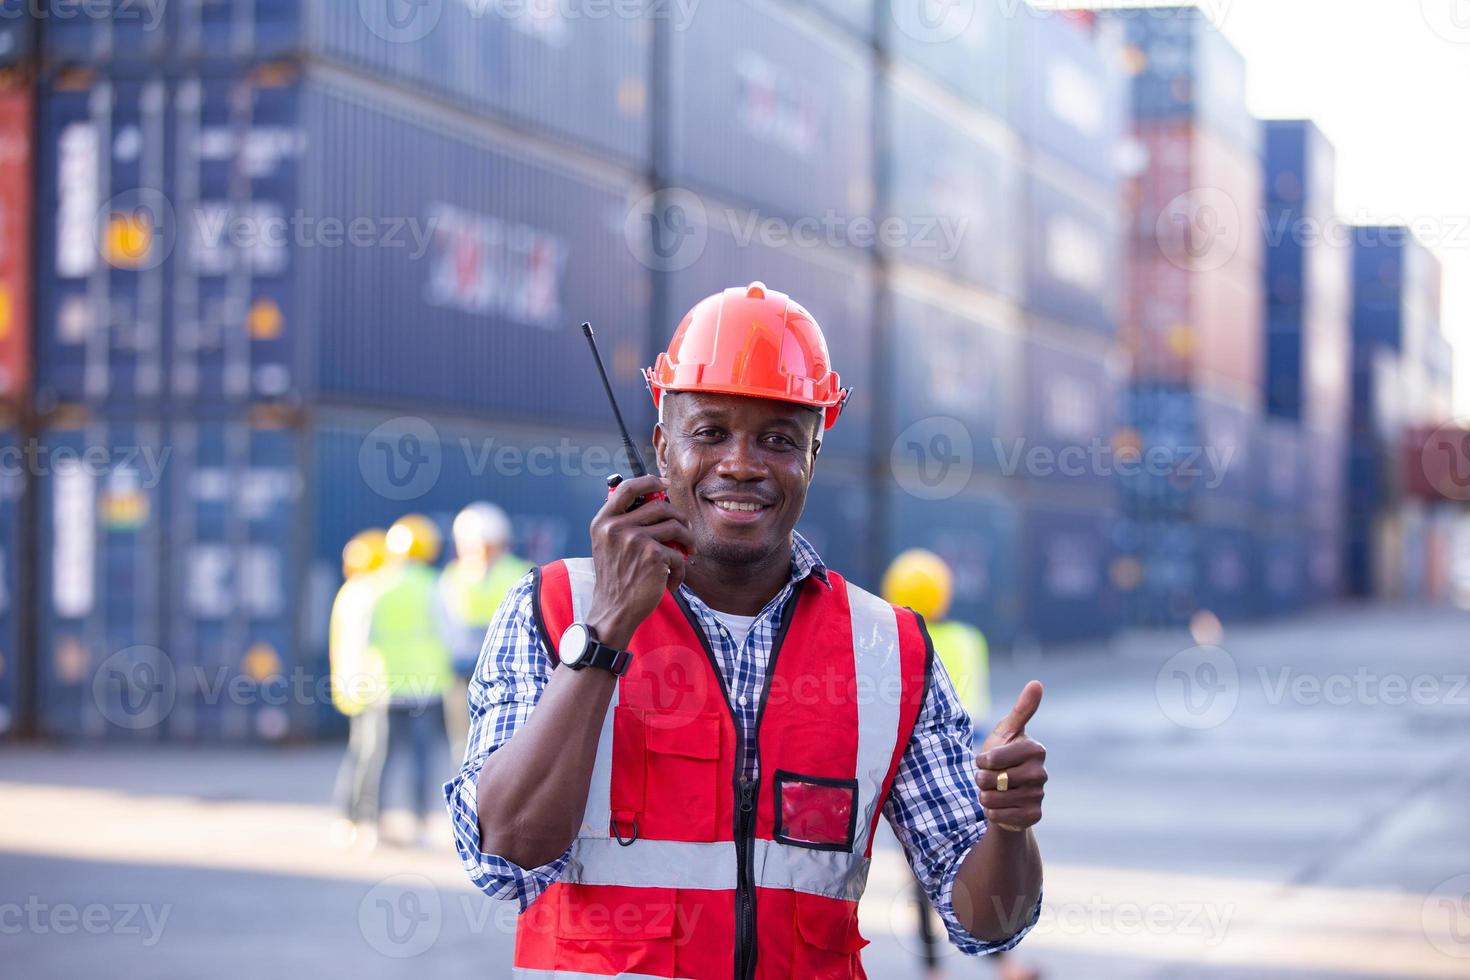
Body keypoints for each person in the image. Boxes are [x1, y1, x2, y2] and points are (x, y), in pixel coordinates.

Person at [445, 282, 1047, 976]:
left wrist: (1009, 829)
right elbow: (503, 858)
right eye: (710, 432)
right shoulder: (552, 609)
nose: (741, 462)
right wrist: (607, 627)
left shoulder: (889, 649)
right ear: (661, 447)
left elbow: (985, 924)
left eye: (778, 439)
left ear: (813, 458)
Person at [884, 550, 1039, 980]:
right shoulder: (968, 638)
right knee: (968, 871)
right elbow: (978, 711)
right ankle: (1004, 962)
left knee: (921, 880)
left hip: (907, 776)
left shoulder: (890, 640)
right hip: (973, 767)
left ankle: (934, 970)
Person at [372, 513, 455, 847]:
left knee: (382, 757)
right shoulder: (434, 586)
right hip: (427, 687)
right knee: (422, 757)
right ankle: (419, 823)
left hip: (386, 686)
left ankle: (374, 823)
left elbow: (367, 635)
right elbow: (448, 633)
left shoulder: (377, 585)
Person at [439, 502, 531, 763]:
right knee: (467, 745)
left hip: (501, 673)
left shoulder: (519, 571)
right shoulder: (455, 575)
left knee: (494, 745)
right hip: (467, 672)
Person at [328, 528, 391, 850]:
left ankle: (347, 817)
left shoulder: (348, 592)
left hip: (352, 685)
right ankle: (364, 820)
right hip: (373, 687)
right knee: (370, 755)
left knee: (358, 753)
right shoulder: (371, 592)